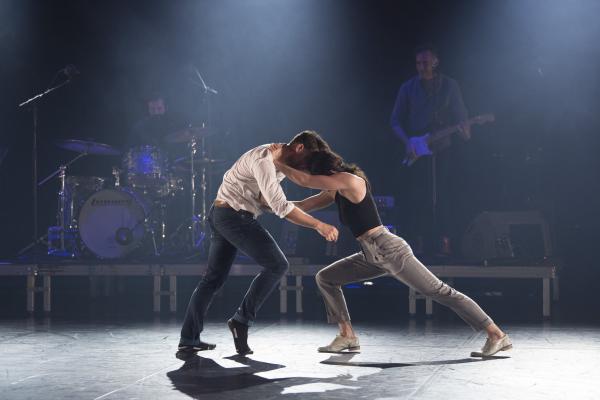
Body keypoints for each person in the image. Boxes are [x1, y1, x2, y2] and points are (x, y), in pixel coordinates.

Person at [271, 145, 512, 357]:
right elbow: (302, 205)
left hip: (389, 249)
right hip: (371, 254)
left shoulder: (350, 181)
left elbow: (304, 180)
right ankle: (347, 335)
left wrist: (274, 161)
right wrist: (268, 203)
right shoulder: (334, 190)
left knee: (440, 291)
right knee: (326, 278)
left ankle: (496, 334)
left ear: (327, 171)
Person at [176, 130, 339, 359]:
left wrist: (315, 201)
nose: (305, 166)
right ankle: (241, 321)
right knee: (277, 265)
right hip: (234, 217)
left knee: (212, 279)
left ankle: (189, 338)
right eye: (307, 159)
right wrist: (318, 225)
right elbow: (280, 208)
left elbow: (269, 203)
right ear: (299, 148)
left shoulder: (278, 164)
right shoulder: (264, 160)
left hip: (223, 213)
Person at [390, 44, 471, 256]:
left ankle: (445, 239)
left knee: (444, 193)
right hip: (417, 149)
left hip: (443, 148)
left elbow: (461, 114)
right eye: (418, 63)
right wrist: (407, 141)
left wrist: (465, 129)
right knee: (417, 195)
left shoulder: (449, 85)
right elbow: (395, 120)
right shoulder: (408, 87)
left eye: (425, 62)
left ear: (435, 62)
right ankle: (418, 240)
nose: (421, 67)